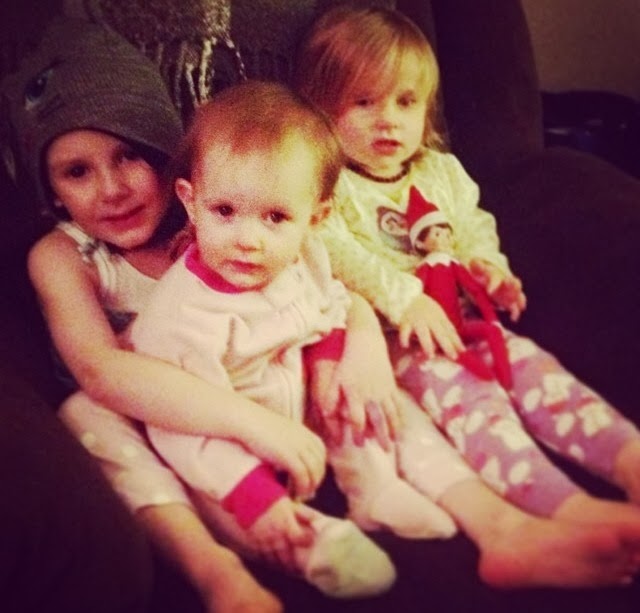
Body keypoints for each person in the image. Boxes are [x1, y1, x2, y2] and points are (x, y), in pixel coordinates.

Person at [295, 4, 640, 588]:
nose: (388, 120)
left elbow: (474, 226)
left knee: (543, 375)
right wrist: (407, 299)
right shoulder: (331, 184)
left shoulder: (442, 172)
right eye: (364, 102)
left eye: (406, 102)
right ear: (322, 111)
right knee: (479, 408)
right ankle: (566, 507)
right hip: (405, 344)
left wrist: (491, 268)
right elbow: (338, 253)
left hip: (474, 321)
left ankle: (629, 460)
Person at [130, 79, 489, 597]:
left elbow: (331, 309)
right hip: (228, 450)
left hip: (303, 413)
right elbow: (182, 431)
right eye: (224, 211)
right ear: (191, 201)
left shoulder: (306, 257)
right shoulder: (179, 317)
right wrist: (257, 498)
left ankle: (375, 488)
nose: (248, 240)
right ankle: (306, 540)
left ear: (315, 219)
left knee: (361, 393)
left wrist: (327, 363)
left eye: (276, 218)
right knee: (229, 505)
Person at [4, 17, 284, 613]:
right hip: (157, 426)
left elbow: (313, 286)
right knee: (84, 411)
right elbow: (99, 371)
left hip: (246, 397)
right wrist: (254, 425)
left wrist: (361, 342)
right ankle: (214, 570)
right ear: (54, 193)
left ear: (167, 157)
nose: (111, 189)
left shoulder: (214, 222)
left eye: (129, 155)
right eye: (77, 172)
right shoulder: (65, 256)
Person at [405, 185, 512, 389]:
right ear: (420, 243)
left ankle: (505, 377)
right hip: (437, 331)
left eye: (447, 235)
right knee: (455, 353)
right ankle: (489, 381)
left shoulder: (453, 264)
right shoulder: (425, 268)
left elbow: (474, 290)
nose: (445, 240)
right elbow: (415, 292)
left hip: (460, 324)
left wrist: (492, 319)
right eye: (437, 235)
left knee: (493, 332)